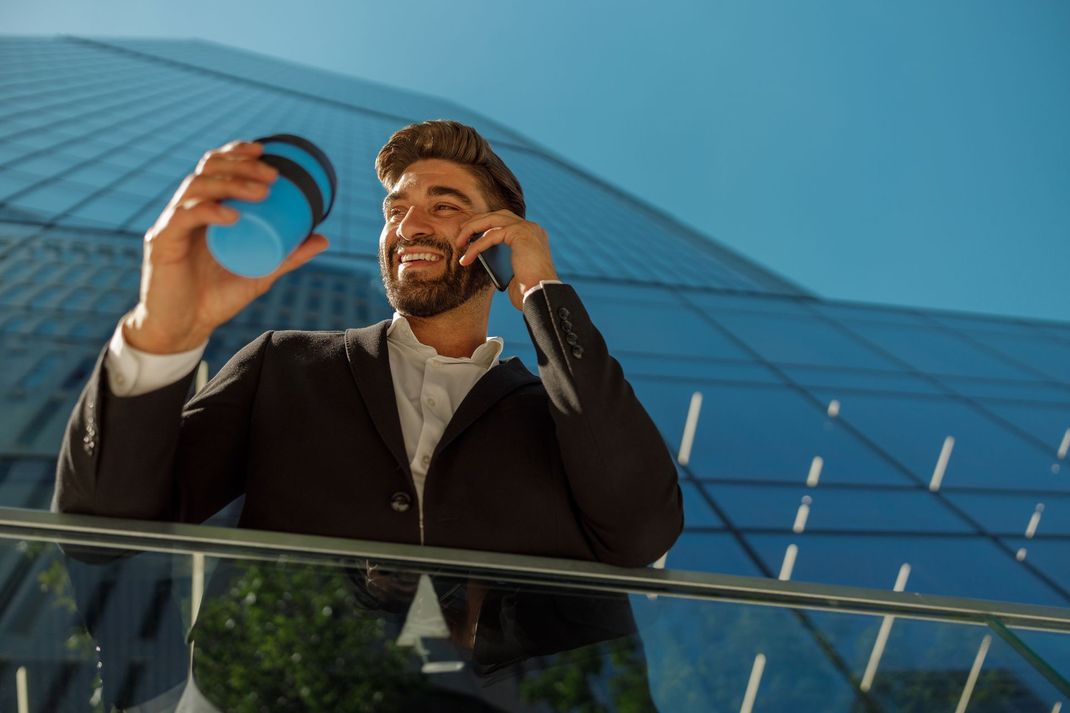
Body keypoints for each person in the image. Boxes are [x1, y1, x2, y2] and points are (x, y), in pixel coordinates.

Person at [54, 120, 683, 568]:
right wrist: (163, 334)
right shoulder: (284, 364)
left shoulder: (563, 410)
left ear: (499, 233)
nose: (409, 224)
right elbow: (101, 535)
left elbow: (640, 534)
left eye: (445, 205)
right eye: (396, 208)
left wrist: (544, 294)